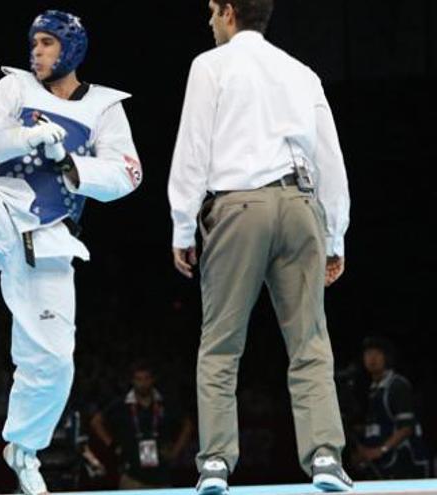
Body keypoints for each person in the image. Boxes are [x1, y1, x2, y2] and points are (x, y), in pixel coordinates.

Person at [0, 10, 142, 495]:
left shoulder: (105, 108)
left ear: (70, 49)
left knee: (54, 360)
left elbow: (128, 175)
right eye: (35, 43)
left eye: (46, 43)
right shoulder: (14, 88)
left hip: (49, 236)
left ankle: (23, 449)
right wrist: (24, 136)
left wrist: (69, 162)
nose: (37, 52)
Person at [167, 0, 352, 493]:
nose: (208, 21)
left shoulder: (211, 66)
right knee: (310, 341)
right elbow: (329, 157)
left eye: (211, 11)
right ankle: (327, 458)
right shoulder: (300, 71)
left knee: (221, 343)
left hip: (238, 208)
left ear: (229, 12)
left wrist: (182, 229)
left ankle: (215, 463)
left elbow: (192, 150)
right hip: (300, 205)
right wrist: (335, 233)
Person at [89, 361, 194, 489]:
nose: (143, 383)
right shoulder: (121, 404)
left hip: (162, 475)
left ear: (153, 379)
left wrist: (175, 451)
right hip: (132, 476)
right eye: (139, 379)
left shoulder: (165, 402)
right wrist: (112, 444)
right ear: (132, 381)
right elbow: (96, 421)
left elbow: (188, 424)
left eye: (146, 378)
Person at [353, 337, 429, 479]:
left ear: (387, 357)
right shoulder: (373, 389)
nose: (372, 358)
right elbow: (382, 424)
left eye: (377, 353)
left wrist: (380, 450)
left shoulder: (397, 386)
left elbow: (406, 428)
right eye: (368, 354)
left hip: (406, 464)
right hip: (385, 466)